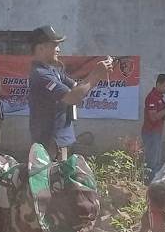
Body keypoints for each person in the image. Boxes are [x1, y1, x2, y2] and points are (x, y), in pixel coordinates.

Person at [27, 25, 112, 161]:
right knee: (52, 174)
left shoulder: (53, 71)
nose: (59, 49)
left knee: (63, 173)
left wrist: (97, 73)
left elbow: (77, 88)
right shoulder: (41, 75)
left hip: (60, 141)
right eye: (55, 45)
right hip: (49, 143)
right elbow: (71, 97)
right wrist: (95, 75)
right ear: (41, 48)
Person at [141, 74, 165, 178]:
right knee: (152, 161)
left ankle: (153, 180)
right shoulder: (152, 98)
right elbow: (153, 117)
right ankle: (150, 181)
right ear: (158, 84)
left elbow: (163, 114)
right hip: (150, 132)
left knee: (156, 159)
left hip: (156, 132)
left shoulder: (160, 98)